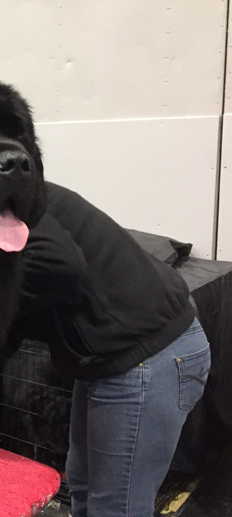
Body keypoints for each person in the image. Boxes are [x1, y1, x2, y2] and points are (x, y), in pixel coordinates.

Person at [14, 181, 211, 517]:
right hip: (111, 359)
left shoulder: (12, 209)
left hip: (148, 357)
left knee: (116, 508)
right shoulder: (15, 202)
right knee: (82, 483)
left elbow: (61, 264)